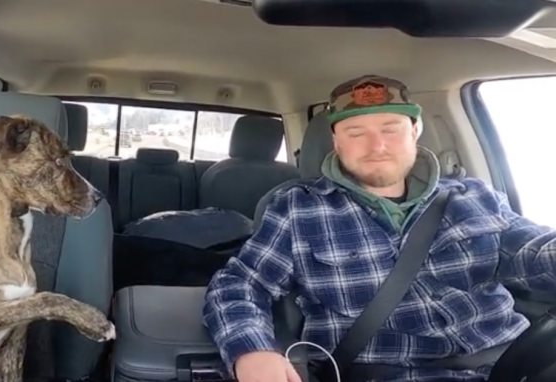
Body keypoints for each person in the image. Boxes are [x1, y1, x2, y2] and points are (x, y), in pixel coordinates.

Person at [202, 74, 556, 382]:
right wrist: (250, 350)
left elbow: (533, 250)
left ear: (414, 131)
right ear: (336, 140)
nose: (378, 146)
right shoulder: (298, 208)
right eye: (356, 132)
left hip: (516, 362)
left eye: (391, 128)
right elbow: (240, 284)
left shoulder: (475, 196)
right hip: (390, 373)